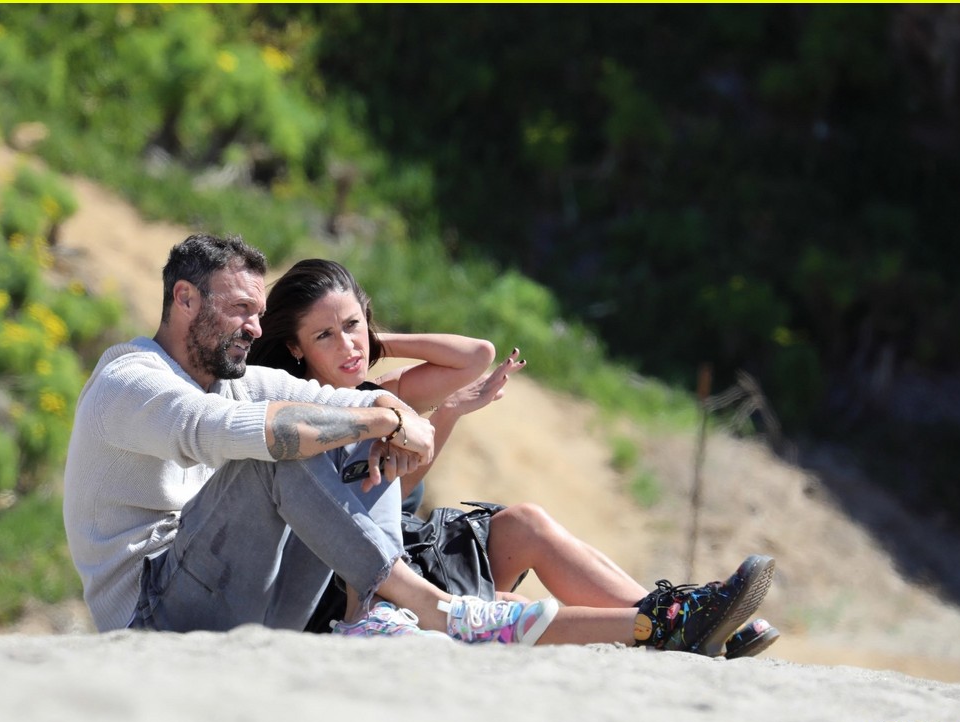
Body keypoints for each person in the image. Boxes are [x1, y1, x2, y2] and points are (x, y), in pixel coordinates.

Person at [63, 233, 775, 654]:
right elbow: (218, 432)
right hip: (154, 615)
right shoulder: (132, 381)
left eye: (259, 311)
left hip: (252, 605)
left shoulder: (241, 381)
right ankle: (427, 608)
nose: (254, 327)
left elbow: (344, 401)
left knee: (338, 429)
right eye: (239, 309)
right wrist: (375, 419)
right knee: (279, 450)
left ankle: (391, 611)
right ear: (184, 300)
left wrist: (389, 410)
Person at [247, 258, 780, 657]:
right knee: (511, 577)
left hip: (411, 547)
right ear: (295, 348)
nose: (347, 346)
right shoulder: (305, 417)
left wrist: (385, 349)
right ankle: (681, 622)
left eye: (352, 325)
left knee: (526, 522)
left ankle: (687, 618)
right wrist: (434, 407)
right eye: (324, 335)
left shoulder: (380, 392)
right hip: (360, 582)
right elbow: (376, 505)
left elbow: (475, 356)